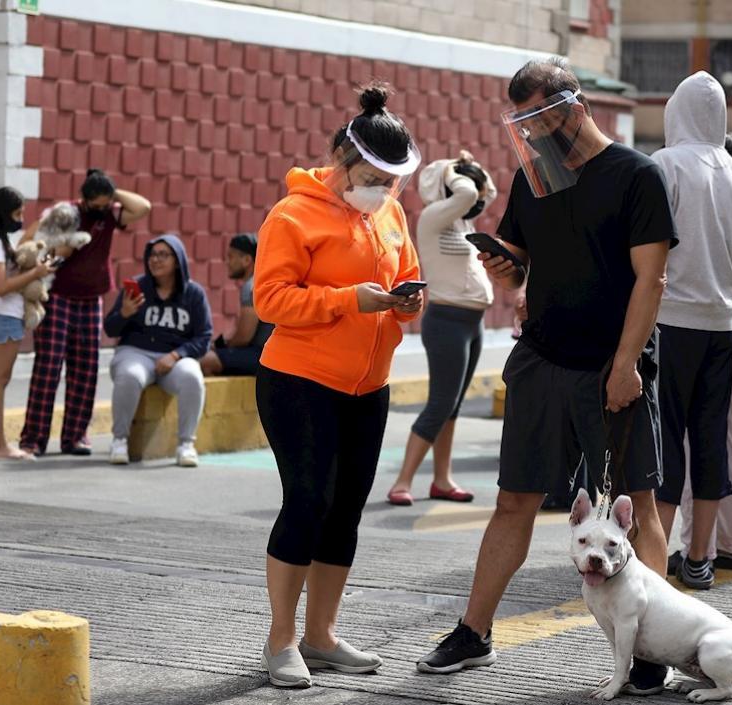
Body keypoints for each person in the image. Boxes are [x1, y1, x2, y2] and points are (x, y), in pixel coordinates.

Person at [418, 59, 676, 694]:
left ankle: (652, 648)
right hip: (542, 361)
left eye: (536, 118)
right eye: (520, 122)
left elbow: (652, 280)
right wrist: (507, 271)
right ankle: (474, 632)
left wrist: (624, 367)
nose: (528, 134)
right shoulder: (533, 178)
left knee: (635, 509)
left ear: (571, 105)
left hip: (611, 369)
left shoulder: (636, 175)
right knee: (514, 501)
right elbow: (524, 266)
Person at [252, 82, 423, 688]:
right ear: (344, 161)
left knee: (345, 509)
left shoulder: (391, 212)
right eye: (376, 175)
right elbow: (270, 300)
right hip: (299, 380)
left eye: (394, 178)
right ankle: (281, 639)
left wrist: (406, 302)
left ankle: (321, 635)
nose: (386, 188)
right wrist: (348, 299)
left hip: (367, 386)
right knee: (308, 502)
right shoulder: (292, 214)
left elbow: (404, 276)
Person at [648, 72, 732, 591]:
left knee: (664, 439)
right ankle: (701, 559)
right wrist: (726, 294)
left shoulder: (664, 165)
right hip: (722, 325)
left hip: (670, 320)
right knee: (709, 436)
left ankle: (655, 556)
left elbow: (645, 247)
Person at [672, 133, 732, 578]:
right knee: (731, 441)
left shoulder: (692, 194)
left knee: (691, 444)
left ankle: (695, 546)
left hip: (701, 330)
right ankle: (723, 546)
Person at [386, 150, 498, 506]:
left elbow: (487, 193)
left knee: (453, 406)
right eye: (468, 185)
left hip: (472, 323)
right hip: (447, 322)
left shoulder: (464, 222)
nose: (476, 196)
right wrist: (451, 170)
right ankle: (402, 482)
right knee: (440, 404)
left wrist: (472, 166)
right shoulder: (434, 217)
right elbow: (467, 194)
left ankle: (442, 479)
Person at [19, 169, 152, 456]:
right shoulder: (67, 213)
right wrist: (57, 250)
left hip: (92, 300)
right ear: (85, 198)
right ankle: (33, 439)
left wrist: (112, 192)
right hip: (58, 297)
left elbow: (143, 207)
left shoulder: (109, 214)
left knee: (86, 369)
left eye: (107, 204)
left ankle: (76, 437)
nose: (103, 209)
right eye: (98, 204)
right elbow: (31, 237)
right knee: (48, 368)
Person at [104, 235, 212, 467]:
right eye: (152, 255)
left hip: (174, 357)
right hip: (135, 352)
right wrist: (124, 313)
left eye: (164, 255)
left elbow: (203, 337)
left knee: (192, 377)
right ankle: (119, 440)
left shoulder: (193, 294)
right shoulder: (138, 287)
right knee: (130, 376)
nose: (156, 260)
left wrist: (176, 355)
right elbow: (110, 329)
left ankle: (186, 444)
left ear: (178, 260)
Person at [0, 187, 56, 460]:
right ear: (3, 212)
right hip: (4, 314)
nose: (21, 217)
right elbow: (1, 287)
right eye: (17, 212)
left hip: (3, 314)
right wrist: (37, 272)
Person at [200, 233, 274, 376]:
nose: (227, 262)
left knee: (205, 360)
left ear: (247, 260)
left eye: (231, 256)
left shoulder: (251, 286)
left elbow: (244, 337)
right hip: (265, 354)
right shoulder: (262, 281)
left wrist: (223, 348)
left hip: (262, 356)